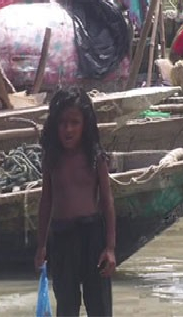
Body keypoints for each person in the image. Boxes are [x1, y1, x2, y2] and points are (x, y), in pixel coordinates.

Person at [35, 87, 116, 317]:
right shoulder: (52, 158)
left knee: (99, 305)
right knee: (67, 305)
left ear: (85, 124)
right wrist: (41, 245)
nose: (68, 129)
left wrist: (110, 248)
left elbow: (108, 202)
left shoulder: (95, 157)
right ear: (54, 125)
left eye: (74, 122)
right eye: (62, 123)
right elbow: (46, 201)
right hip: (62, 237)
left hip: (93, 235)